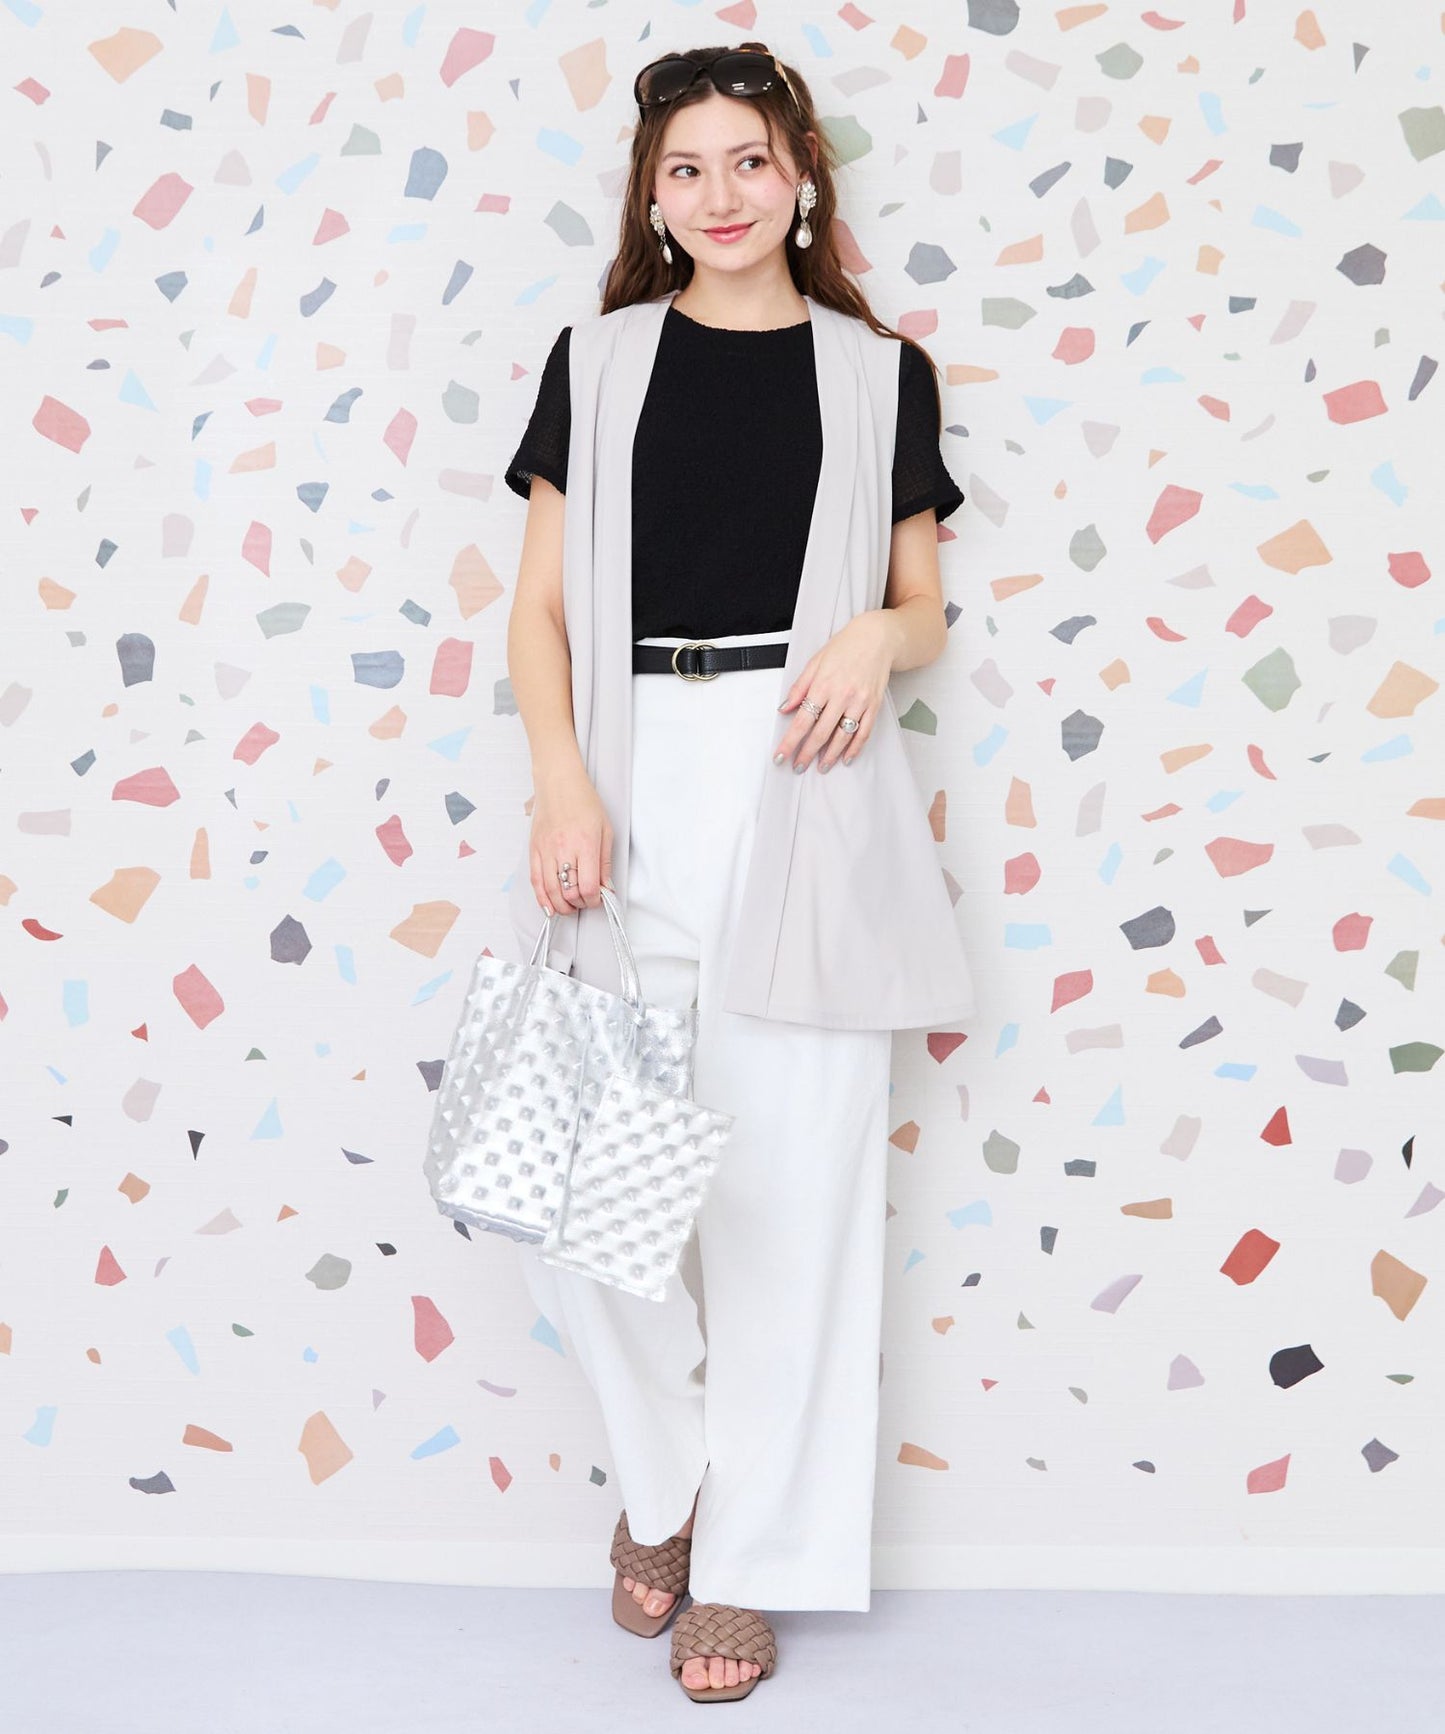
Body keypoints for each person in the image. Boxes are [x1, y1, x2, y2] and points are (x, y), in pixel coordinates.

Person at [502, 41, 969, 1704]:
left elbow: (922, 606)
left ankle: (751, 1568)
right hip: (627, 784)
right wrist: (564, 782)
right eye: (685, 168)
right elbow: (537, 610)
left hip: (808, 782)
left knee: (792, 1201)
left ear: (801, 180)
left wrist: (871, 638)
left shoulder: (878, 375)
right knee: (585, 1199)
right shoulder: (598, 362)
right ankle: (670, 1486)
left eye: (748, 161)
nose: (718, 194)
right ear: (651, 195)